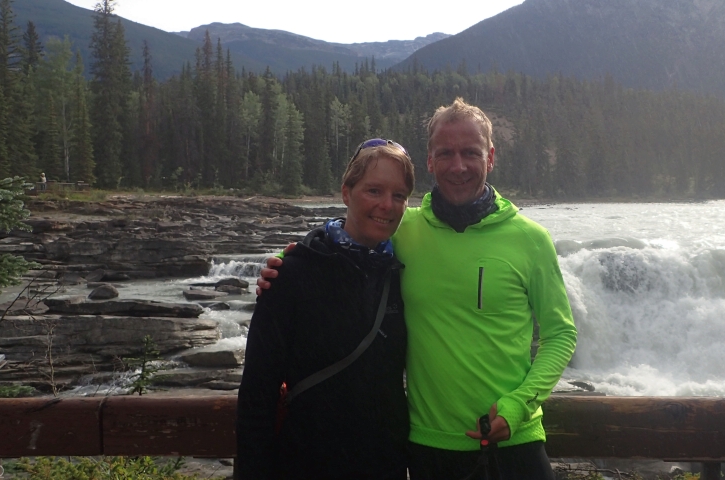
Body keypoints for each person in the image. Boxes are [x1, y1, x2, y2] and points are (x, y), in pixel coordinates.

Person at [260, 98, 577, 479]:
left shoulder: (531, 240)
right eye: (445, 153)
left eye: (470, 153)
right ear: (430, 161)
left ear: (490, 157)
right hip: (429, 450)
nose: (458, 166)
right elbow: (346, 232)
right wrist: (285, 260)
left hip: (515, 444)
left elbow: (560, 335)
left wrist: (520, 405)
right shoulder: (404, 229)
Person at [236, 139, 415, 480]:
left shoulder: (402, 273)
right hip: (306, 463)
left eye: (399, 195)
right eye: (374, 190)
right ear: (346, 192)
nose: (387, 205)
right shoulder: (292, 274)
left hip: (384, 466)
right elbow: (257, 395)